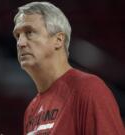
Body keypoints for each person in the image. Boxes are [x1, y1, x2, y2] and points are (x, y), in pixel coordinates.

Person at [13, 1, 125, 135]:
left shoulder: (88, 88)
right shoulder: (31, 109)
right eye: (18, 36)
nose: (20, 43)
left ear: (58, 40)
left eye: (29, 32)